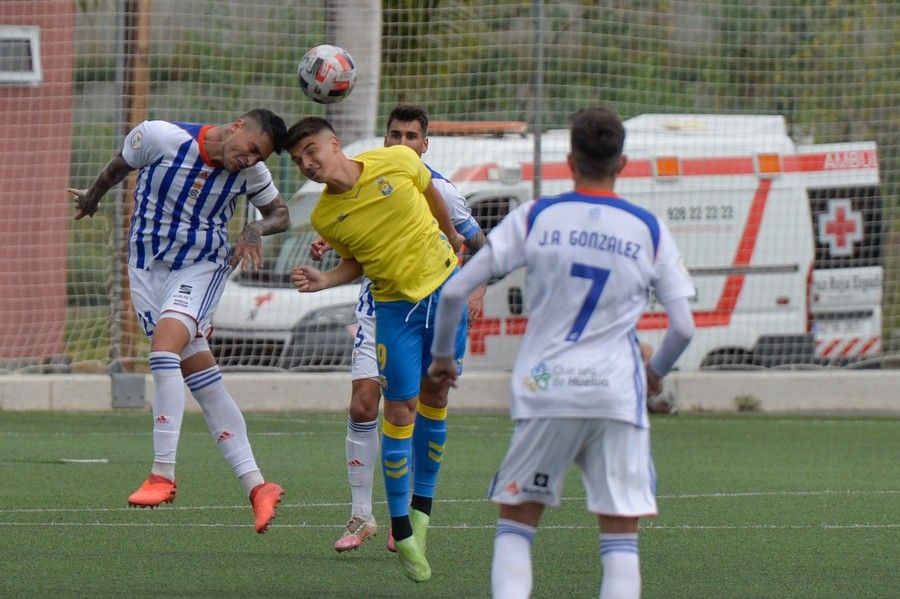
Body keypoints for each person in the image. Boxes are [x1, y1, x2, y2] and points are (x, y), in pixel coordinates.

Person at [428, 107, 695, 598]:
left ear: (570, 160)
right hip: (616, 394)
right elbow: (683, 327)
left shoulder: (537, 215)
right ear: (624, 163)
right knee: (619, 539)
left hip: (545, 389)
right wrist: (654, 374)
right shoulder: (648, 228)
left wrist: (443, 358)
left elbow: (451, 293)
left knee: (517, 524)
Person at [68, 109, 290, 534]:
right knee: (203, 381)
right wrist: (93, 197)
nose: (249, 161)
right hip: (146, 269)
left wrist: (254, 230)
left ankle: (162, 474)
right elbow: (118, 167)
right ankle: (258, 486)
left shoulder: (252, 173)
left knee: (164, 348)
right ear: (238, 126)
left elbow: (281, 214)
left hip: (201, 267)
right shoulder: (159, 137)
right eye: (250, 150)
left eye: (258, 157)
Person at [285, 116, 468, 582]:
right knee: (398, 409)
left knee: (437, 396)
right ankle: (399, 528)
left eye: (311, 150)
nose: (307, 163)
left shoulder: (399, 163)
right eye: (298, 159)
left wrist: (449, 236)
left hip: (446, 295)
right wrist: (325, 279)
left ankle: (422, 510)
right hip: (392, 309)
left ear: (334, 143)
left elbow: (433, 196)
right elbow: (355, 262)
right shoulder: (325, 215)